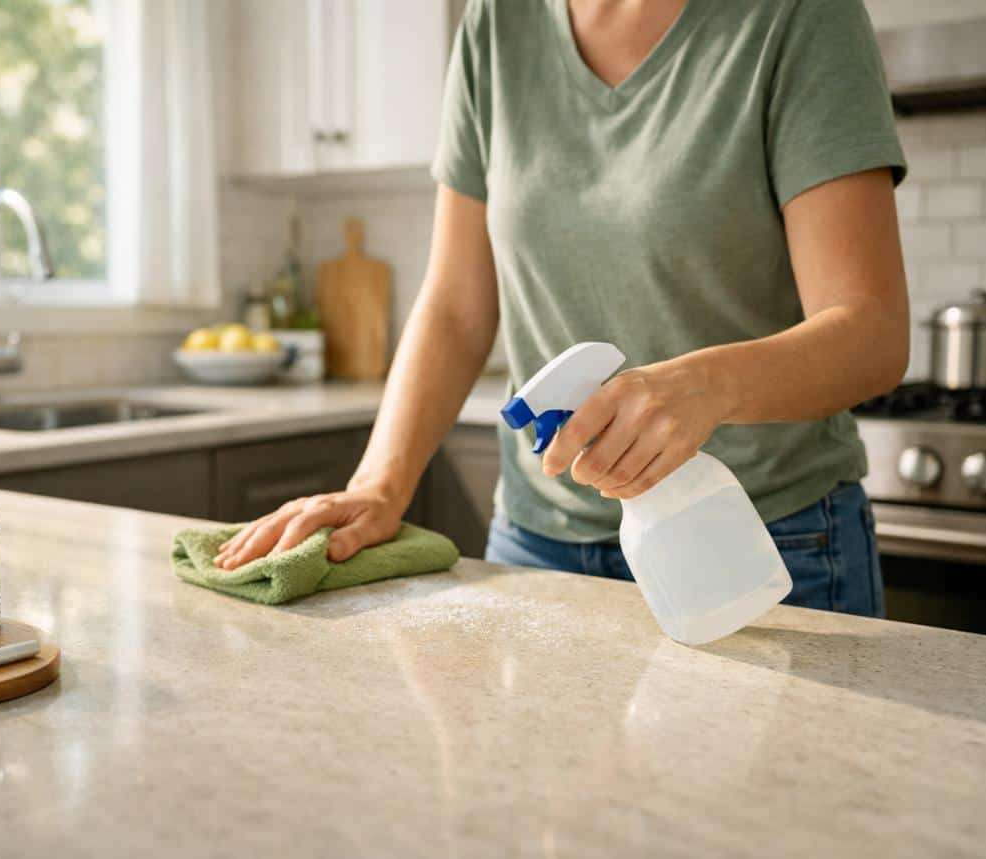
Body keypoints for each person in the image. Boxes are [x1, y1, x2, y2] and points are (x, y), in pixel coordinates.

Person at [215, 0, 908, 617]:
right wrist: (378, 485)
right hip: (536, 543)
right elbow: (456, 307)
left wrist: (704, 387)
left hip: (757, 539)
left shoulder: (796, 16)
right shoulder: (495, 23)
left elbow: (869, 330)